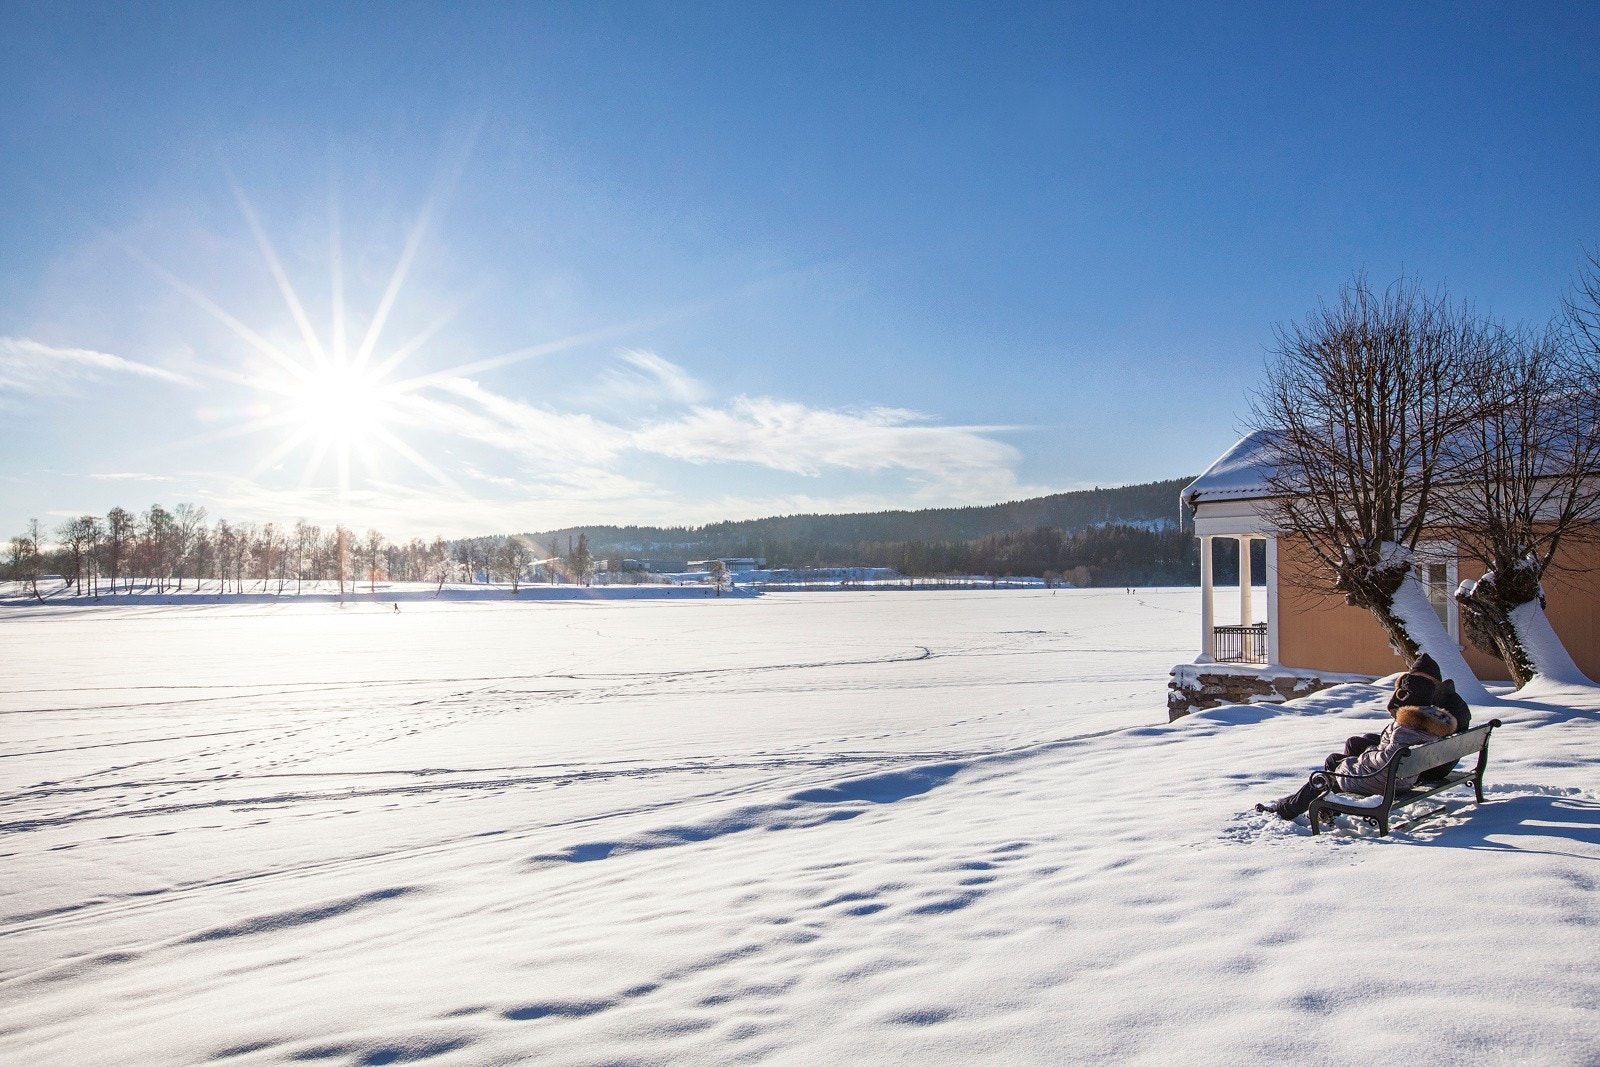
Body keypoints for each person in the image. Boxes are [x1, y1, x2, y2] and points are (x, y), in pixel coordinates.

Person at [1257, 702, 1459, 822]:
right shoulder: (1431, 734)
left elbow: (1386, 759)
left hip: (1382, 782)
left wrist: (1367, 753)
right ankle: (1328, 807)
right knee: (1334, 760)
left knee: (1322, 778)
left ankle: (1284, 811)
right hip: (1400, 780)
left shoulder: (1407, 731)